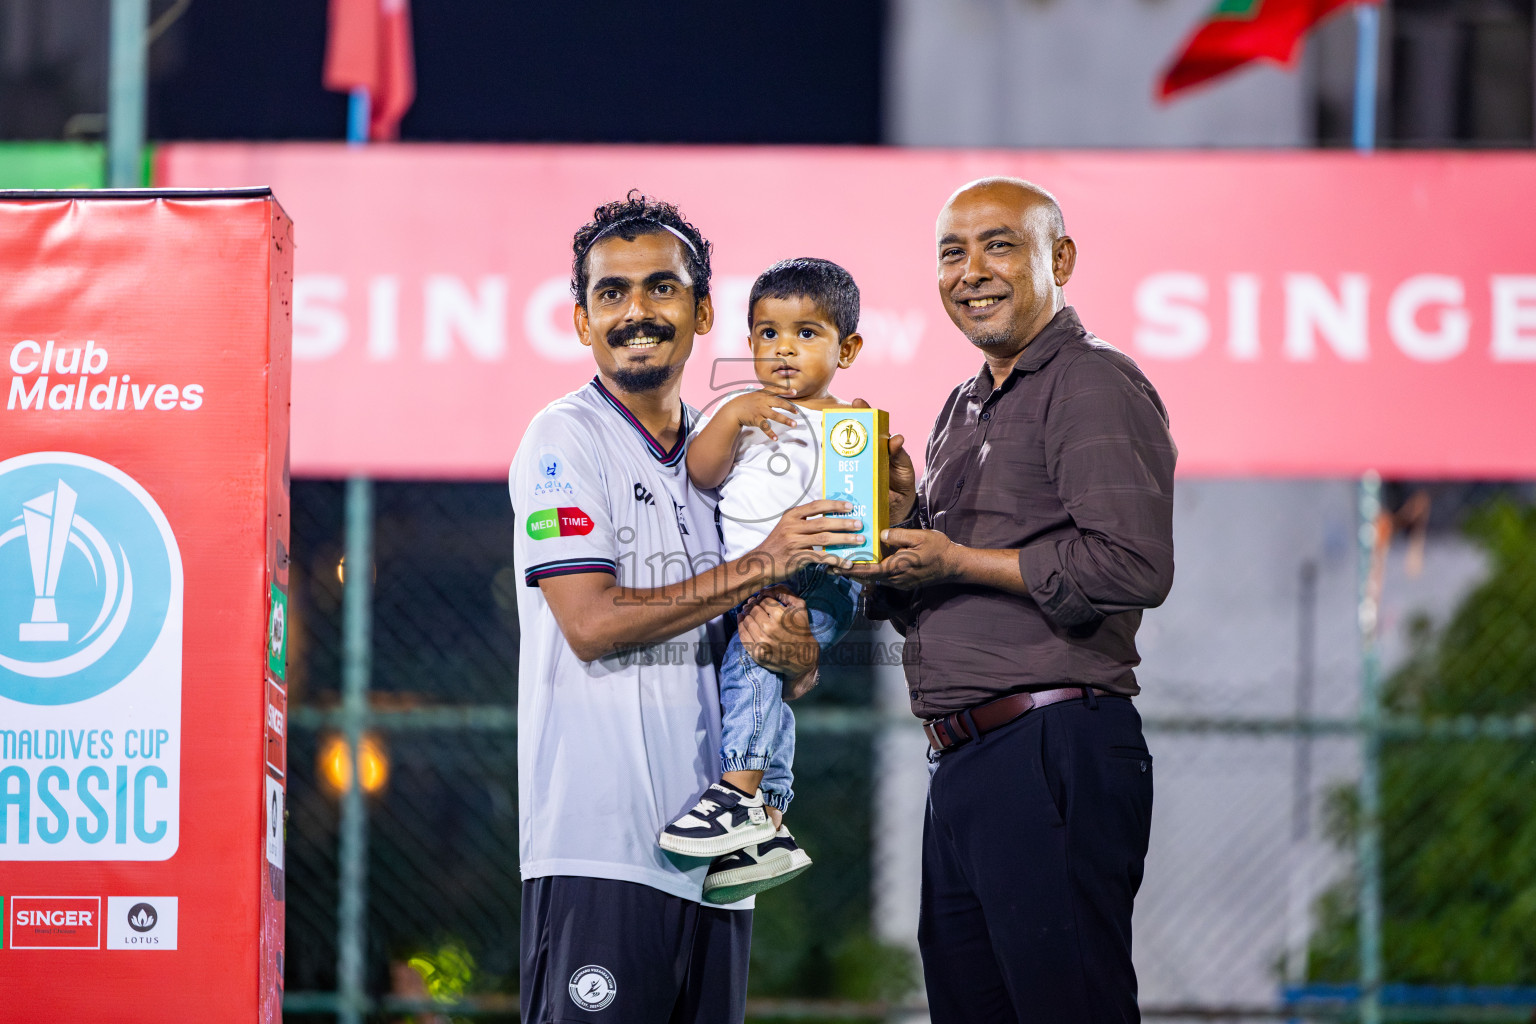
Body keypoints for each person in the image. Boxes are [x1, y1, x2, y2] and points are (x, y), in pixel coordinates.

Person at [510, 194, 864, 1024]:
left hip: (720, 866)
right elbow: (591, 624)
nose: (637, 312)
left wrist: (798, 649)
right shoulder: (562, 439)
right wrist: (760, 563)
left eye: (661, 289)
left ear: (703, 311)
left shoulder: (738, 452)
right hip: (601, 851)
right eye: (612, 293)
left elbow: (776, 639)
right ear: (581, 320)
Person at [847, 177, 1177, 1023]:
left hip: (1050, 742)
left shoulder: (1093, 381)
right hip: (967, 761)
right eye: (951, 253)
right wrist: (898, 518)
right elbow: (942, 584)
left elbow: (1133, 565)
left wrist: (956, 554)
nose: (971, 271)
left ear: (1058, 258)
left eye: (999, 244)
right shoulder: (963, 406)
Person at [660, 258, 869, 904]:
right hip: (756, 579)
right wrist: (733, 416)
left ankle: (737, 793)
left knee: (753, 654)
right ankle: (769, 824)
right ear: (749, 343)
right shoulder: (742, 417)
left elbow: (866, 534)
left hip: (820, 579)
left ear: (847, 348)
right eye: (769, 334)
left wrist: (875, 460)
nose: (784, 350)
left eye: (807, 333)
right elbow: (699, 470)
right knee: (758, 681)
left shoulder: (848, 426)